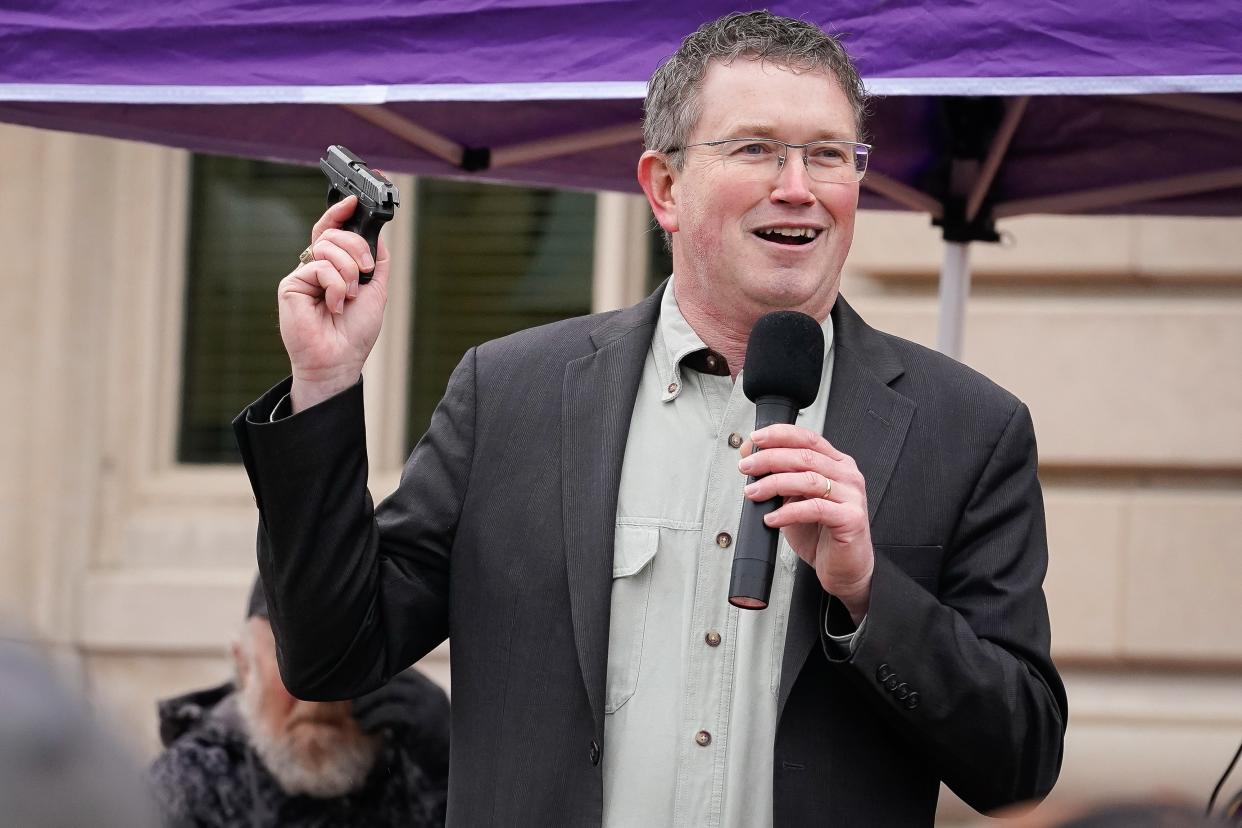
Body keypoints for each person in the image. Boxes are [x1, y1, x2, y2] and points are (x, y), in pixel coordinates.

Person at [233, 10, 1067, 826]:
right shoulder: (513, 394)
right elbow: (330, 654)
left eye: (828, 155)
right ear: (665, 187)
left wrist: (867, 593)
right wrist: (325, 383)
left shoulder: (967, 430)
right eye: (756, 149)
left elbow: (1020, 765)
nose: (799, 188)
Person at [148, 579, 448, 827]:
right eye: (296, 663)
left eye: (345, 660)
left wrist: (456, 765)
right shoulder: (192, 783)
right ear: (245, 666)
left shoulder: (412, 766)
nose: (320, 696)